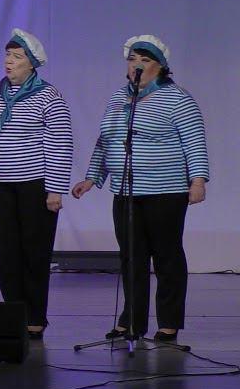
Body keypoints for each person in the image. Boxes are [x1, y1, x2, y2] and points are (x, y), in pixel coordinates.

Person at [72, 35, 209, 342]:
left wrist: (198, 180)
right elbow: (106, 140)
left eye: (145, 60)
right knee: (131, 257)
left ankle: (169, 322)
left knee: (166, 256)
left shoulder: (177, 99)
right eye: (133, 59)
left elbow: (195, 142)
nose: (137, 65)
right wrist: (91, 178)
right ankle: (131, 320)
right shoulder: (118, 98)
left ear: (161, 67)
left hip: (165, 192)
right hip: (126, 191)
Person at [0, 29, 73, 339]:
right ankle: (14, 312)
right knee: (6, 252)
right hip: (0, 185)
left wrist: (55, 189)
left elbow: (60, 144)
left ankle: (35, 317)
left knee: (34, 252)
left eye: (16, 57)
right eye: (7, 56)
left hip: (35, 186)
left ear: (32, 63)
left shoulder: (48, 96)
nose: (9, 62)